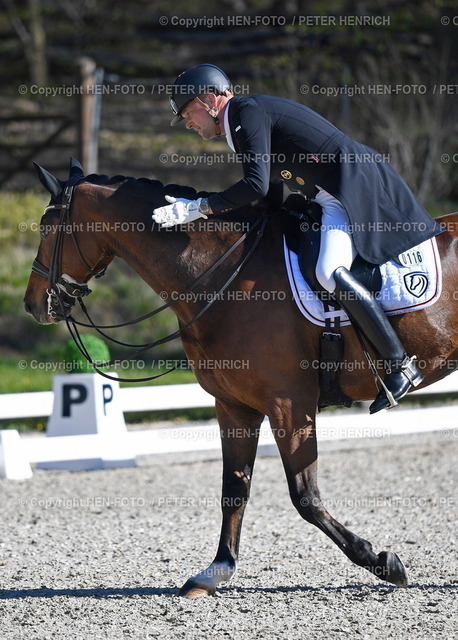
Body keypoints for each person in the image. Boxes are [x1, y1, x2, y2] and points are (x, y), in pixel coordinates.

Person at [152, 63, 443, 413]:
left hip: (350, 186)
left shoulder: (246, 112)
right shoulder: (242, 122)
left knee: (327, 272)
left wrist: (199, 207)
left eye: (187, 111)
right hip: (324, 195)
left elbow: (255, 185)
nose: (186, 122)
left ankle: (398, 364)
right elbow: (269, 193)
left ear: (211, 99)